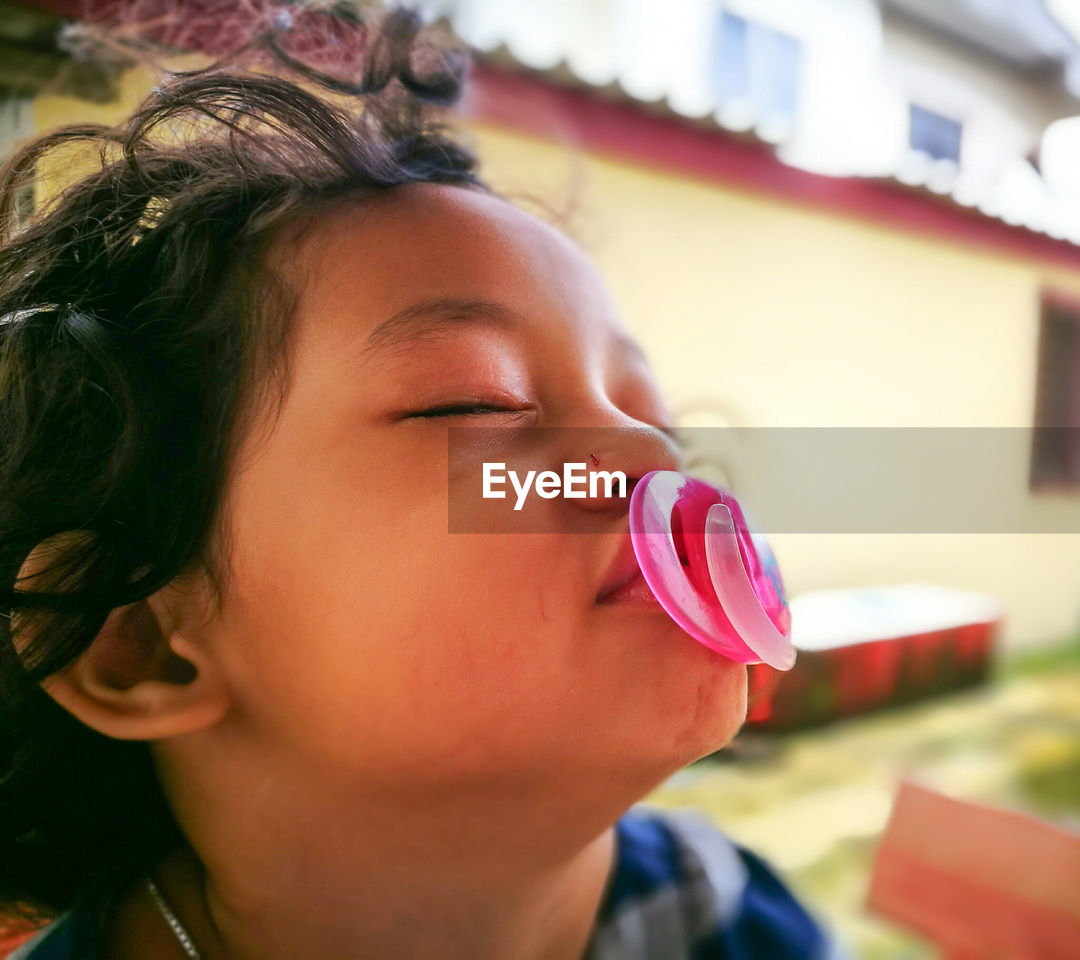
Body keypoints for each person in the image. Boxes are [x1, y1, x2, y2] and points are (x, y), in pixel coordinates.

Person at [0, 7, 847, 959]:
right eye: (475, 402)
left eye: (654, 416)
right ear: (139, 645)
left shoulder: (733, 919)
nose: (654, 456)